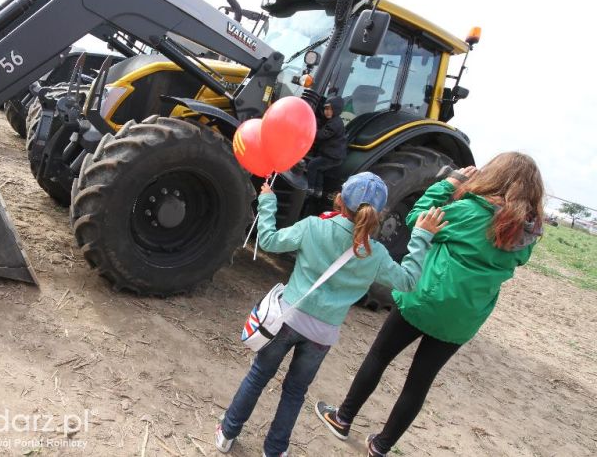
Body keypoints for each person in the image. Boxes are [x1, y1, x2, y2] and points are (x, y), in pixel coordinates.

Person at [314, 152, 545, 457]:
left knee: (380, 355)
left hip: (424, 299)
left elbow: (417, 217)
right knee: (419, 383)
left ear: (495, 177)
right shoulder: (527, 234)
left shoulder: (470, 212)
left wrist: (449, 183)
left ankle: (342, 418)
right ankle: (381, 447)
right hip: (464, 318)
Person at [216, 172, 449, 457]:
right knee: (294, 392)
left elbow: (268, 240)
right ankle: (275, 451)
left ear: (339, 199)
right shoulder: (375, 254)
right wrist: (422, 236)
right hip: (322, 335)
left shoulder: (314, 227)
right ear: (379, 213)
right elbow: (408, 281)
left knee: (258, 376)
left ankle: (227, 433)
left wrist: (267, 202)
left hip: (287, 319)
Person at [306, 96, 347, 198]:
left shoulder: (335, 124)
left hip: (332, 157)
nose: (327, 111)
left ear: (336, 110)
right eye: (325, 109)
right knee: (319, 170)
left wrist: (310, 130)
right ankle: (318, 191)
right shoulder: (334, 121)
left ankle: (310, 188)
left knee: (312, 165)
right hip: (333, 155)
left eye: (330, 109)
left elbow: (321, 135)